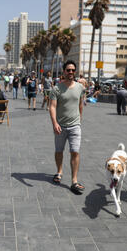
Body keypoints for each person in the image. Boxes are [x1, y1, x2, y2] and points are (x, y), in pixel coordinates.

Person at [49, 60, 86, 194]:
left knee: (75, 151)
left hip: (75, 126)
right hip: (60, 126)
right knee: (59, 151)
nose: (70, 72)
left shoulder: (80, 87)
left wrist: (79, 119)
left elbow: (80, 104)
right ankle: (59, 172)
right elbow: (52, 107)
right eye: (68, 70)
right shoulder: (56, 89)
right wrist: (55, 123)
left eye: (72, 70)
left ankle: (74, 181)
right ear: (64, 71)